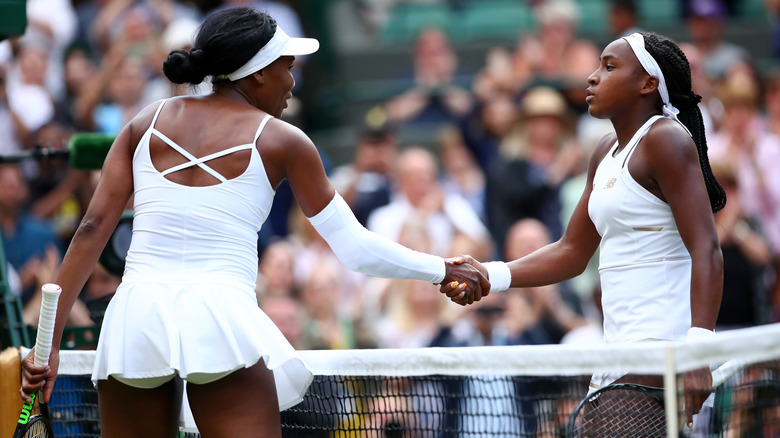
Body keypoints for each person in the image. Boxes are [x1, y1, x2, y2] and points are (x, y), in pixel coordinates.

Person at [20, 8, 489, 438]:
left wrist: (46, 346)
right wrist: (441, 268)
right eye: (287, 67)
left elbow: (89, 230)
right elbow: (355, 249)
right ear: (259, 72)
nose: (291, 81)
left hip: (135, 320)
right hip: (219, 322)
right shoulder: (285, 141)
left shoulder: (145, 122)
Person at [445, 31, 727, 426]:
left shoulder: (665, 139)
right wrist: (489, 273)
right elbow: (571, 251)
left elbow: (707, 249)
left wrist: (698, 350)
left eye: (609, 67)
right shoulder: (603, 152)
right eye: (596, 65)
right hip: (618, 350)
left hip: (663, 351)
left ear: (648, 83)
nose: (592, 77)